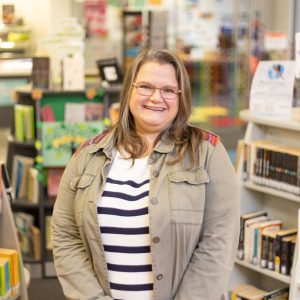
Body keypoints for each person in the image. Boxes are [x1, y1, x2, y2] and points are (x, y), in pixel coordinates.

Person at [52, 48, 240, 300]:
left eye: (168, 90)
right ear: (129, 90)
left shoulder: (208, 153)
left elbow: (218, 243)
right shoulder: (88, 154)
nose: (156, 98)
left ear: (181, 97)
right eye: (145, 87)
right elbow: (65, 235)